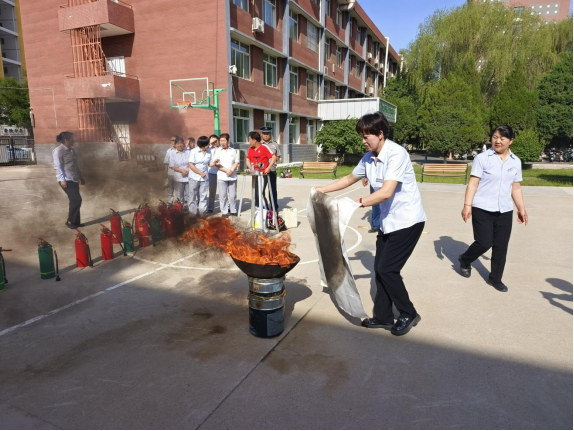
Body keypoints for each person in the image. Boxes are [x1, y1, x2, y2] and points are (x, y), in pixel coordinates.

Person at [316, 112, 427, 337]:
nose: (363, 141)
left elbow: (386, 192)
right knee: (379, 270)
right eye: (361, 136)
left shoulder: (396, 154)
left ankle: (408, 312)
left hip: (407, 221)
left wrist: (357, 203)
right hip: (388, 222)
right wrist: (321, 190)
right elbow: (350, 178)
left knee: (388, 269)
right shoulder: (369, 158)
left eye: (366, 136)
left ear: (380, 133)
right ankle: (383, 316)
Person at [459, 125, 528, 293]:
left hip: (504, 210)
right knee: (484, 243)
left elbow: (515, 188)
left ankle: (495, 278)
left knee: (501, 246)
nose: (497, 141)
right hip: (482, 207)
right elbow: (473, 183)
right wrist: (467, 205)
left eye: (502, 138)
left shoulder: (515, 161)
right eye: (495, 137)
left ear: (511, 141)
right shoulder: (482, 158)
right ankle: (465, 259)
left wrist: (521, 209)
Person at [53, 131, 86, 229]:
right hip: (66, 179)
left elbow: (75, 165)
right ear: (66, 140)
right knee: (76, 200)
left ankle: (75, 222)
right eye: (72, 139)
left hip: (74, 178)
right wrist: (62, 180)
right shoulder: (58, 151)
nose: (74, 140)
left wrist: (80, 177)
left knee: (74, 200)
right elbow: (58, 166)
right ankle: (71, 221)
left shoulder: (71, 150)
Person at [210, 133, 240, 216]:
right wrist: (226, 170)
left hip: (232, 176)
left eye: (224, 141)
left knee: (232, 195)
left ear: (228, 141)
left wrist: (231, 170)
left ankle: (233, 210)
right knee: (223, 195)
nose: (222, 143)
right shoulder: (218, 151)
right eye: (221, 141)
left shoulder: (233, 150)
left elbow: (236, 162)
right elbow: (216, 164)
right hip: (222, 176)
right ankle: (224, 211)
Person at [246, 131, 276, 208]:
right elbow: (248, 160)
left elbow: (273, 157)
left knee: (260, 193)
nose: (249, 142)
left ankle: (265, 209)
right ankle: (258, 208)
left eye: (250, 140)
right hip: (255, 174)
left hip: (263, 175)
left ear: (254, 140)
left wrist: (269, 167)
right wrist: (251, 168)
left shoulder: (264, 147)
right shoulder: (250, 149)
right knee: (256, 193)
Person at [188, 136, 212, 216]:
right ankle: (192, 213)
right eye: (208, 144)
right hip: (194, 177)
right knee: (192, 196)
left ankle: (202, 213)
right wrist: (200, 173)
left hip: (205, 178)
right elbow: (191, 165)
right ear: (203, 144)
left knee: (203, 196)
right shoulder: (194, 151)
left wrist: (215, 163)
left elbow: (209, 164)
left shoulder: (209, 152)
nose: (209, 146)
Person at [260, 126, 280, 211]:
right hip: (262, 171)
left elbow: (278, 156)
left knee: (272, 190)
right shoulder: (259, 144)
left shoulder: (275, 144)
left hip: (272, 170)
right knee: (261, 190)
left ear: (270, 134)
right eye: (264, 133)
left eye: (267, 133)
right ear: (261, 134)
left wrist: (274, 160)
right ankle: (264, 206)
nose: (266, 135)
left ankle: (274, 207)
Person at [169, 137, 190, 207]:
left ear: (184, 144)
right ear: (175, 145)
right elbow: (172, 166)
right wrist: (182, 171)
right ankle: (180, 210)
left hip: (188, 177)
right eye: (178, 143)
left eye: (181, 143)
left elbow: (192, 163)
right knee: (179, 196)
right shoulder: (172, 153)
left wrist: (187, 171)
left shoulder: (188, 152)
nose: (180, 145)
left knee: (189, 195)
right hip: (178, 178)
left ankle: (190, 210)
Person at [207, 134, 220, 214]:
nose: (214, 143)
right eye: (212, 141)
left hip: (221, 172)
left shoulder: (221, 149)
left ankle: (225, 207)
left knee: (223, 191)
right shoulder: (208, 150)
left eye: (216, 141)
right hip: (211, 172)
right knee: (212, 191)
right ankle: (210, 207)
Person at [164, 136, 177, 203]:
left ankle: (178, 204)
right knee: (170, 189)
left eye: (174, 140)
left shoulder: (181, 150)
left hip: (179, 174)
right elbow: (166, 163)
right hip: (171, 173)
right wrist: (165, 173)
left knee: (179, 190)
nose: (173, 142)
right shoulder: (169, 151)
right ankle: (169, 203)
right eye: (172, 140)